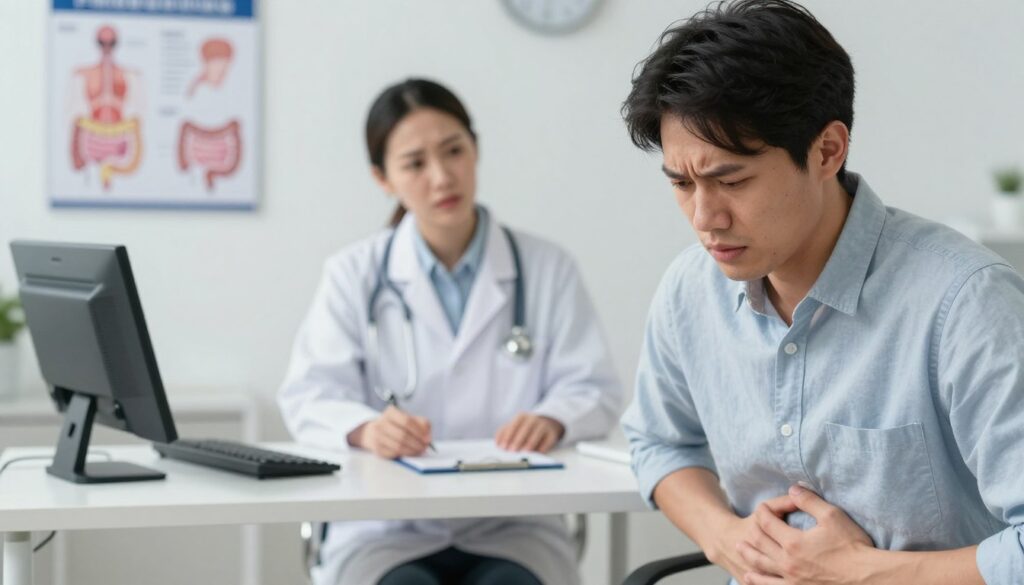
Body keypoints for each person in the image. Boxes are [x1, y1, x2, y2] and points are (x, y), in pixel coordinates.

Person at [619, 2, 1023, 584]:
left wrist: (862, 573)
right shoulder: (690, 290)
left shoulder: (966, 304)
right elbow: (660, 444)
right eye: (682, 184)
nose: (704, 217)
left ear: (828, 151)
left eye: (730, 180)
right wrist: (726, 538)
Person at [279, 78, 622, 585]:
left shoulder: (547, 268)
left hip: (515, 522)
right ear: (383, 178)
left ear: (475, 149)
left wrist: (553, 418)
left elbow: (594, 388)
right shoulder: (352, 274)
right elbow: (309, 396)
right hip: (386, 527)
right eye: (415, 163)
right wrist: (366, 428)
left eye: (453, 151)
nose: (441, 177)